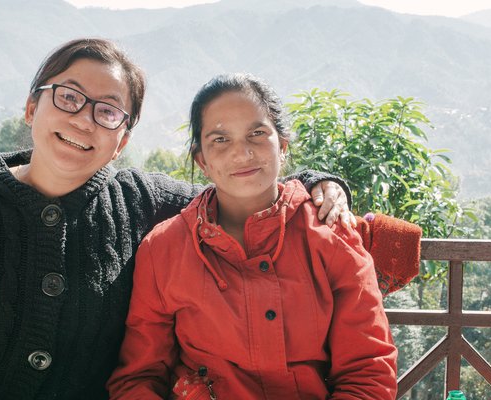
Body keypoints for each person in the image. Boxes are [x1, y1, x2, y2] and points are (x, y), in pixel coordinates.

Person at [0, 38, 354, 400]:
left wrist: (317, 181)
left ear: (122, 140)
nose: (84, 119)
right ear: (32, 106)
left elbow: (236, 187)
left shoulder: (140, 201)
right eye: (68, 97)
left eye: (108, 112)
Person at [107, 73, 398, 399]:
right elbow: (139, 378)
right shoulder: (164, 250)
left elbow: (368, 372)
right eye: (220, 139)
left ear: (282, 146)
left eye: (257, 134)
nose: (242, 153)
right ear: (201, 160)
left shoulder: (331, 235)